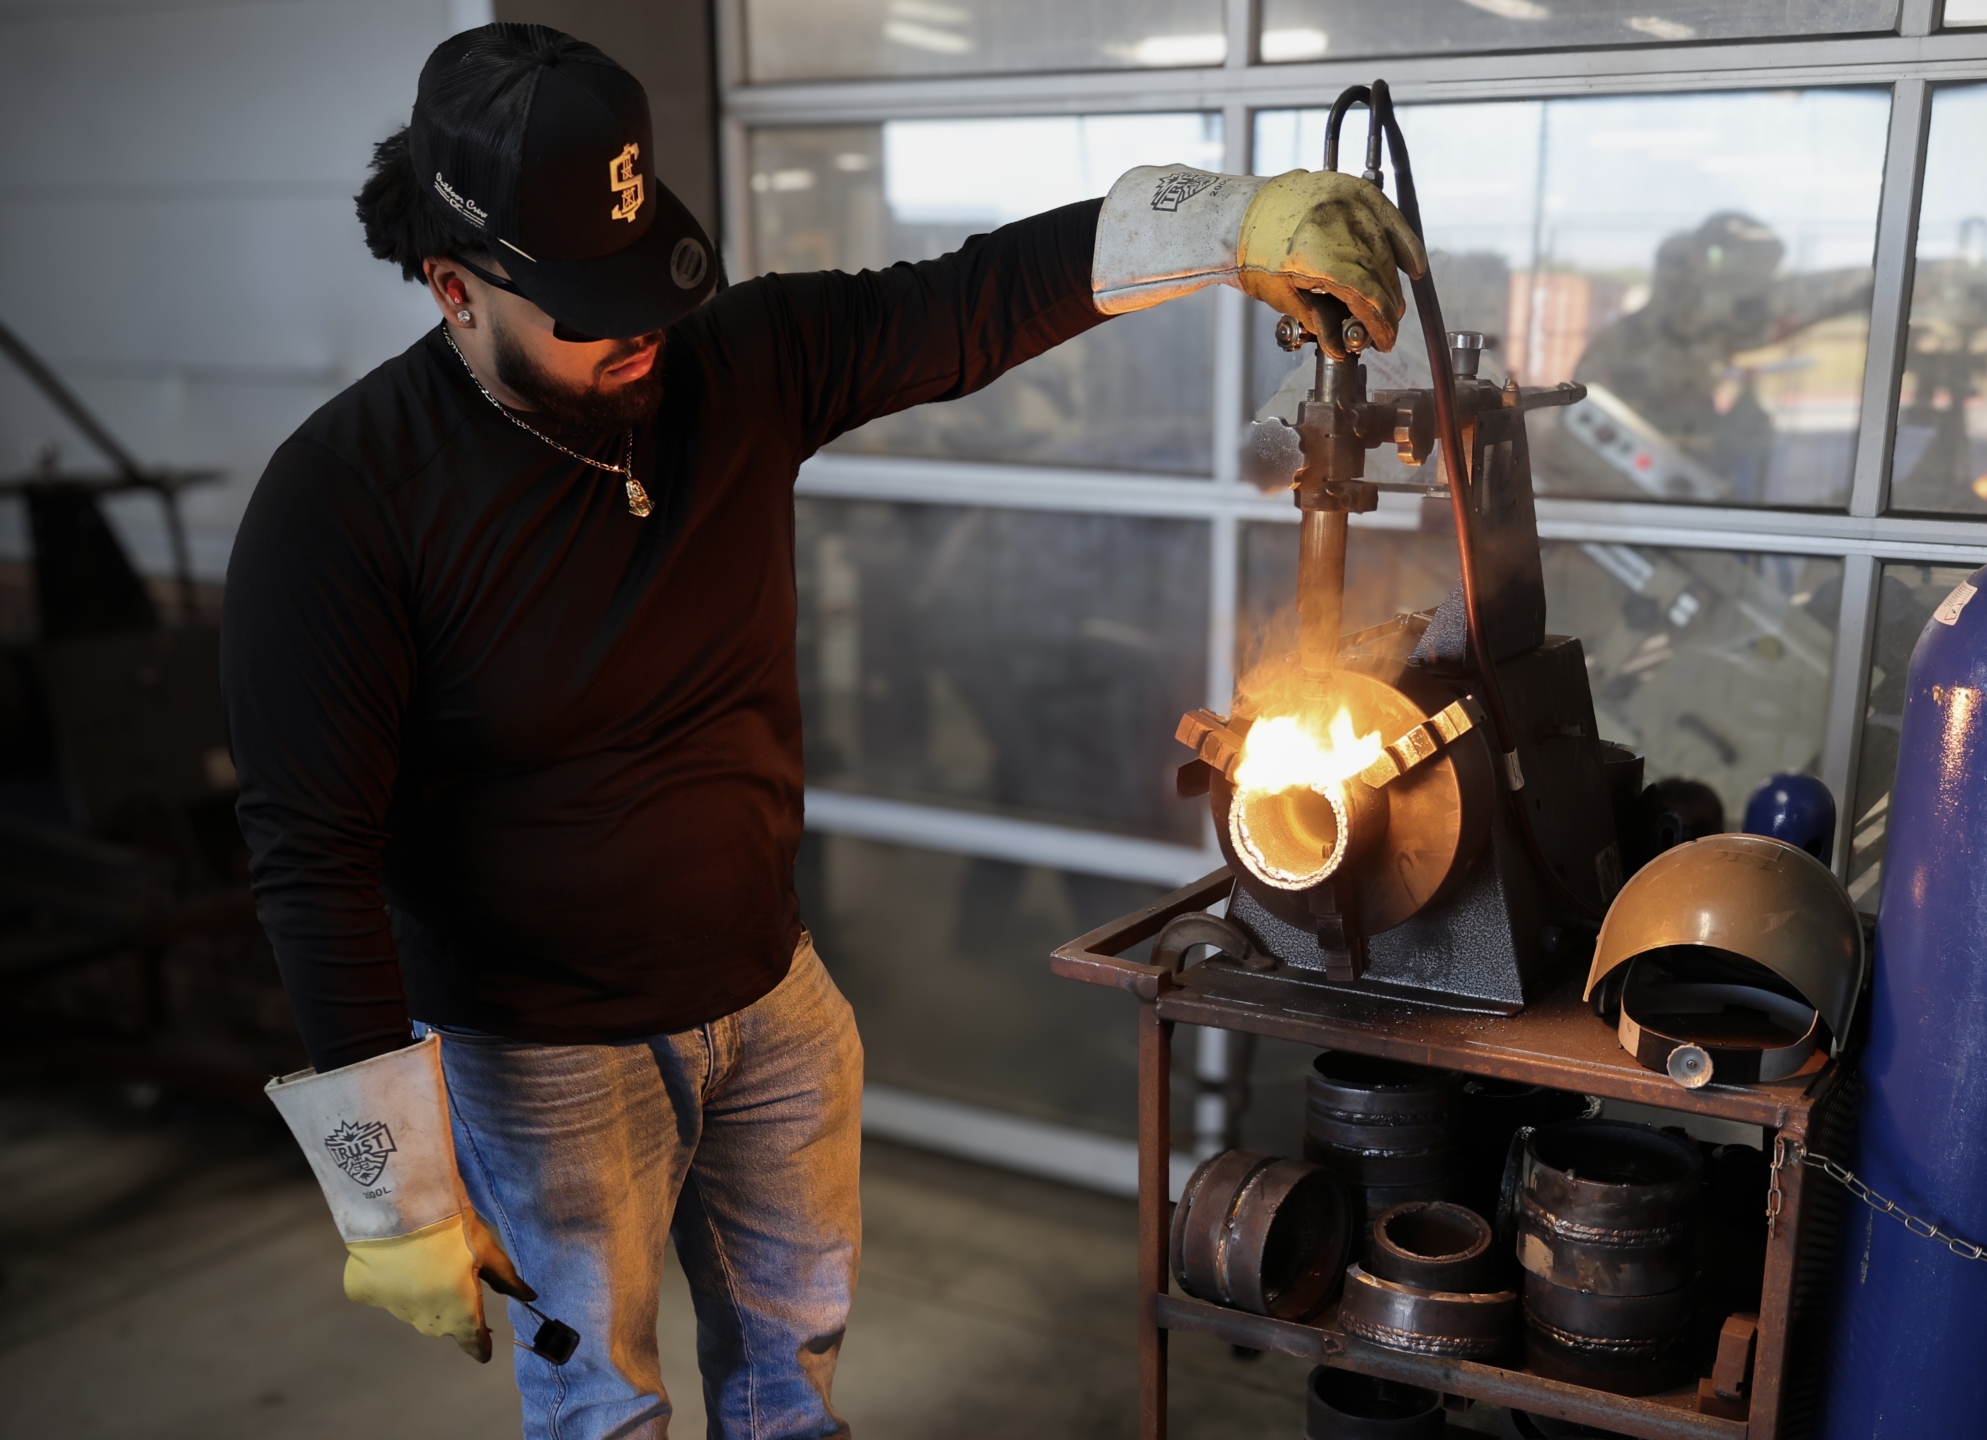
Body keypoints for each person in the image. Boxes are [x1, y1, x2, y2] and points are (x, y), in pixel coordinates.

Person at [222, 23, 1421, 1439]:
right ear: (452, 288)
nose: (640, 338)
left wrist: (1232, 222)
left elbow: (972, 299)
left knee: (794, 1389)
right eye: (587, 314)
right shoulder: (342, 503)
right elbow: (311, 856)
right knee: (604, 1408)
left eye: (644, 289)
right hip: (540, 1055)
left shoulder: (736, 367)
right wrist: (394, 1196)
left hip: (772, 1006)